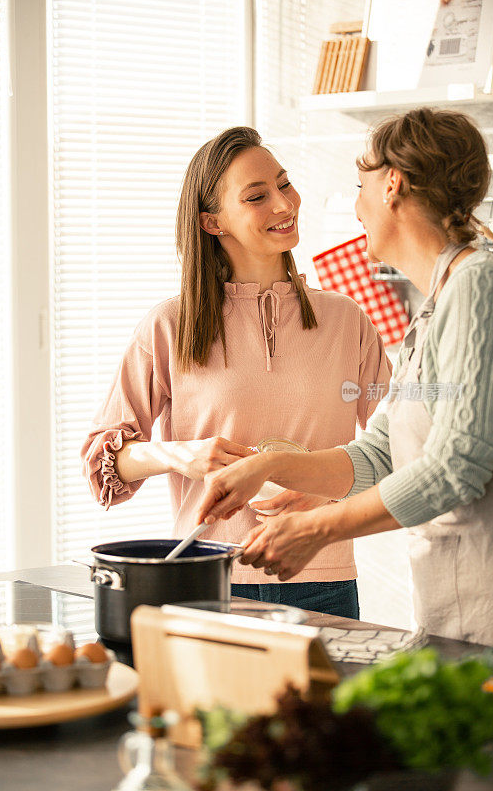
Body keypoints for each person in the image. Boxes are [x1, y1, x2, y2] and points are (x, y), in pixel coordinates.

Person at [197, 108, 493, 647]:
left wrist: (317, 528)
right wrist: (272, 466)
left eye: (360, 186)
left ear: (393, 185)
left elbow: (457, 464)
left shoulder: (481, 286)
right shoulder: (437, 302)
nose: (356, 206)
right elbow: (381, 453)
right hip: (452, 611)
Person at [81, 126, 391, 618]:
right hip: (206, 579)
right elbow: (105, 468)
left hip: (321, 575)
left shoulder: (346, 319)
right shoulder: (169, 326)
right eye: (257, 196)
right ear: (211, 221)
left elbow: (407, 446)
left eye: (285, 184)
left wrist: (325, 491)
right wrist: (179, 454)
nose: (285, 204)